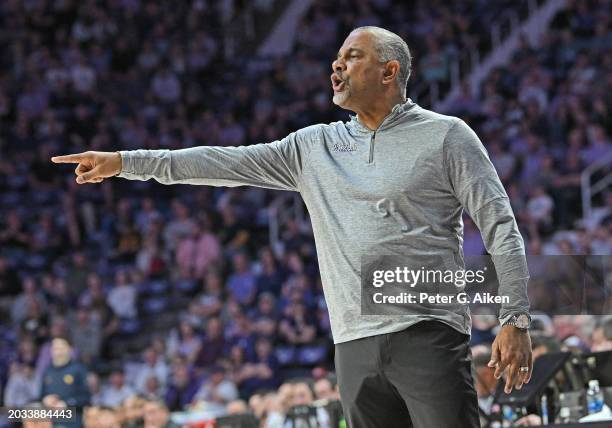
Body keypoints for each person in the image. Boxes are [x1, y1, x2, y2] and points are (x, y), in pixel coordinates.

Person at [52, 26, 532, 428]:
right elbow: (223, 162)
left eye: (352, 56)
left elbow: (501, 227)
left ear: (389, 71)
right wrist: (125, 162)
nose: (336, 66)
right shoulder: (313, 147)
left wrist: (515, 318)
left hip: (428, 332)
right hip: (351, 343)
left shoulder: (447, 135)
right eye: (337, 58)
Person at [39, 336, 90, 427]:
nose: (57, 352)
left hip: (72, 420)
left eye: (61, 348)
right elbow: (42, 394)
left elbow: (86, 397)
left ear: (69, 349)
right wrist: (45, 400)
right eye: (55, 348)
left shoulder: (78, 369)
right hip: (51, 420)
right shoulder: (48, 371)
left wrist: (66, 403)